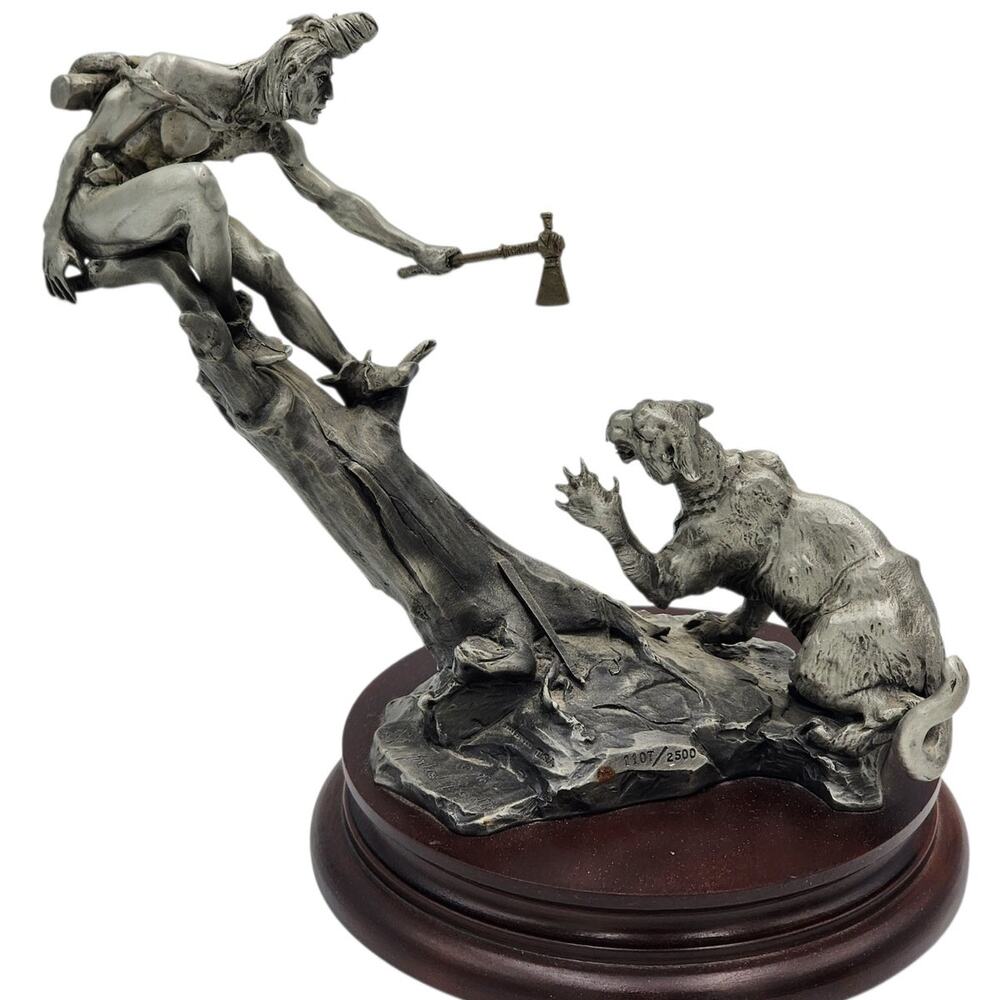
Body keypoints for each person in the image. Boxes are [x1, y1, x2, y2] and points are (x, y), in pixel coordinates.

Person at [43, 12, 458, 397]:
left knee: (268, 264)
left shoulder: (273, 135)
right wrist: (53, 235)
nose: (329, 95)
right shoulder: (175, 74)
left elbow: (334, 199)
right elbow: (84, 144)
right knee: (198, 183)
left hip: (161, 215)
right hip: (93, 208)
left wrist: (417, 249)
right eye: (321, 79)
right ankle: (234, 324)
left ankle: (351, 375)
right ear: (291, 73)